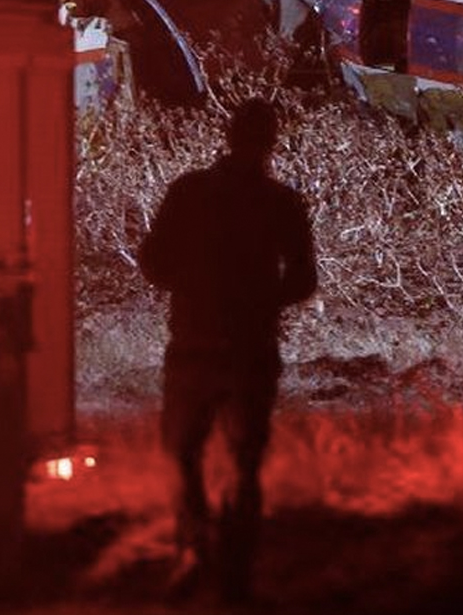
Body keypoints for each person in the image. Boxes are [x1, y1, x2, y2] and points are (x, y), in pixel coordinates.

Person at [139, 97, 316, 604]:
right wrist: (262, 305)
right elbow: (303, 280)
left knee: (181, 454)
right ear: (270, 143)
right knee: (245, 463)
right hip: (250, 350)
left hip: (194, 345)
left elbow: (153, 261)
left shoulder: (190, 192)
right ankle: (235, 573)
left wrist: (191, 289)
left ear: (228, 134)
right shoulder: (282, 203)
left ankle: (196, 547)